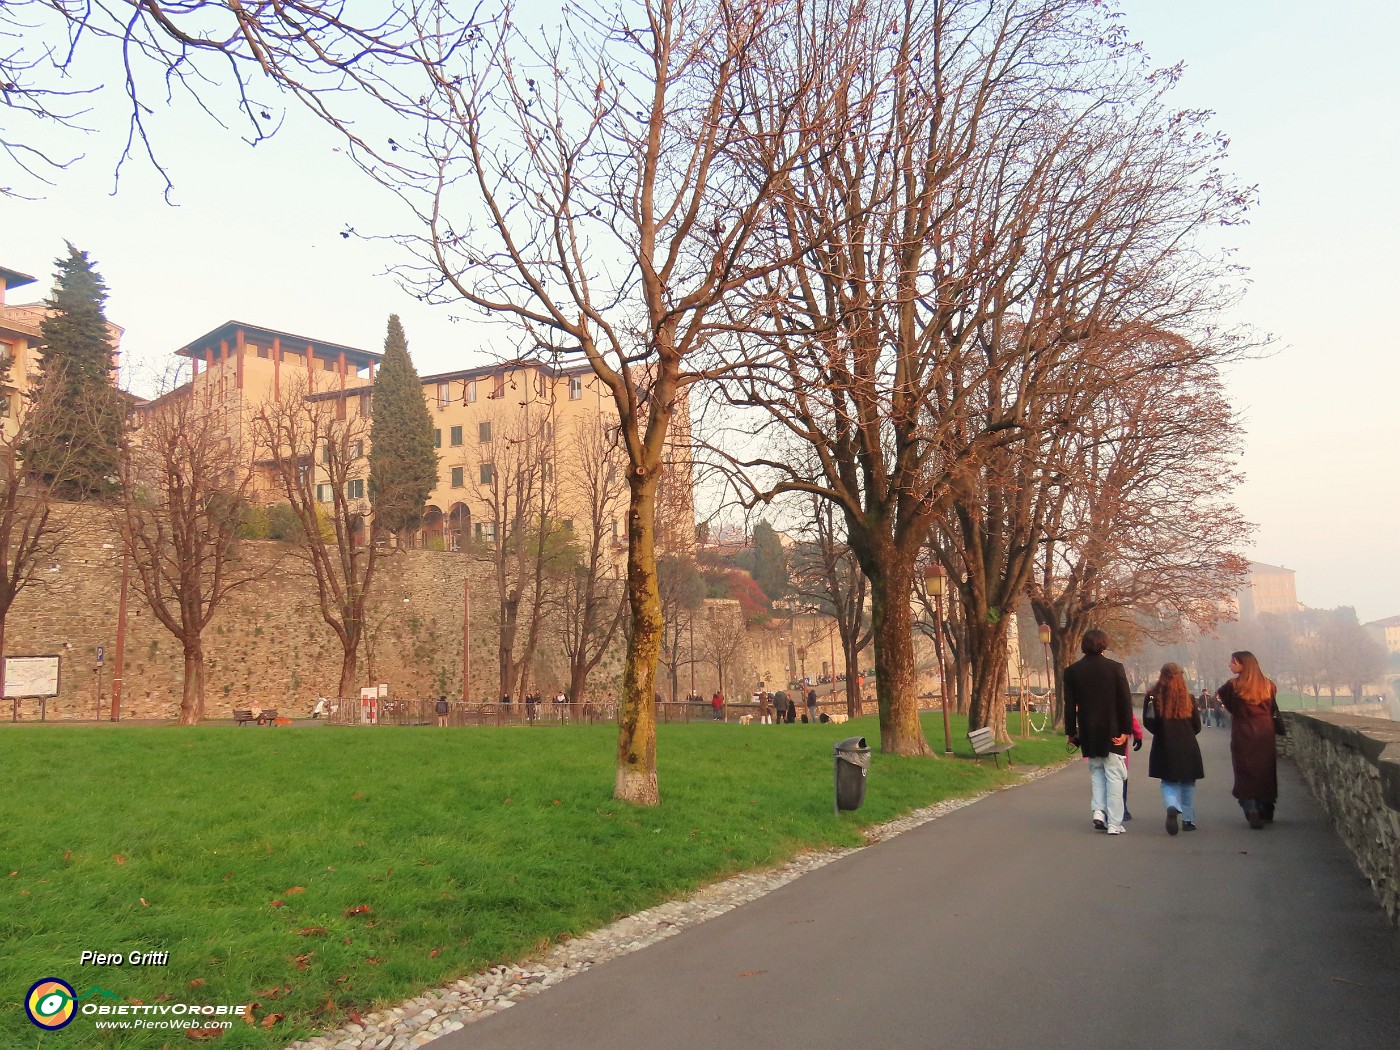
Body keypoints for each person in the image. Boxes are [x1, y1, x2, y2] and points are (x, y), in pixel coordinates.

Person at [1062, 628, 1134, 835]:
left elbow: (1070, 705)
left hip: (1088, 730)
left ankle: (1098, 811)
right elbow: (1125, 702)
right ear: (1104, 644)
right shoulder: (1115, 668)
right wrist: (1126, 730)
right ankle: (1114, 822)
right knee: (1114, 775)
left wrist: (1071, 732)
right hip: (1113, 730)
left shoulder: (1072, 671)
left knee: (1096, 772)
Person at [1216, 651, 1284, 829]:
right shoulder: (1269, 685)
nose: (1230, 665)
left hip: (1243, 730)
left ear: (1243, 665)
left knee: (1244, 769)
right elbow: (1272, 707)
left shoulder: (1232, 686)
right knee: (1265, 768)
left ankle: (1250, 805)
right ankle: (1265, 806)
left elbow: (1229, 705)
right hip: (1265, 731)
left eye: (1233, 662)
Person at [1144, 663, 1205, 835]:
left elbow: (1148, 722)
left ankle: (1172, 805)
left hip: (1164, 744)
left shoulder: (1152, 697)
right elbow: (1197, 726)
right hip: (1187, 745)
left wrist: (1162, 732)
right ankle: (1188, 819)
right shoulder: (1189, 698)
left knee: (1168, 781)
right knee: (1188, 782)